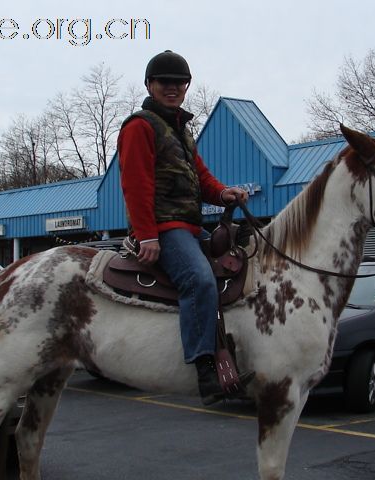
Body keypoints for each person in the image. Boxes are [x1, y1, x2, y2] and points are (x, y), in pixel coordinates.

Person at [117, 50, 251, 405]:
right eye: (165, 83)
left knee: (242, 259)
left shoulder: (181, 131)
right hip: (163, 228)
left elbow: (201, 178)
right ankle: (205, 369)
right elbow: (136, 184)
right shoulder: (140, 126)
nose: (173, 89)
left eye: (180, 83)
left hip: (190, 227)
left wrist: (224, 193)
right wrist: (147, 234)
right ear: (150, 85)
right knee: (199, 280)